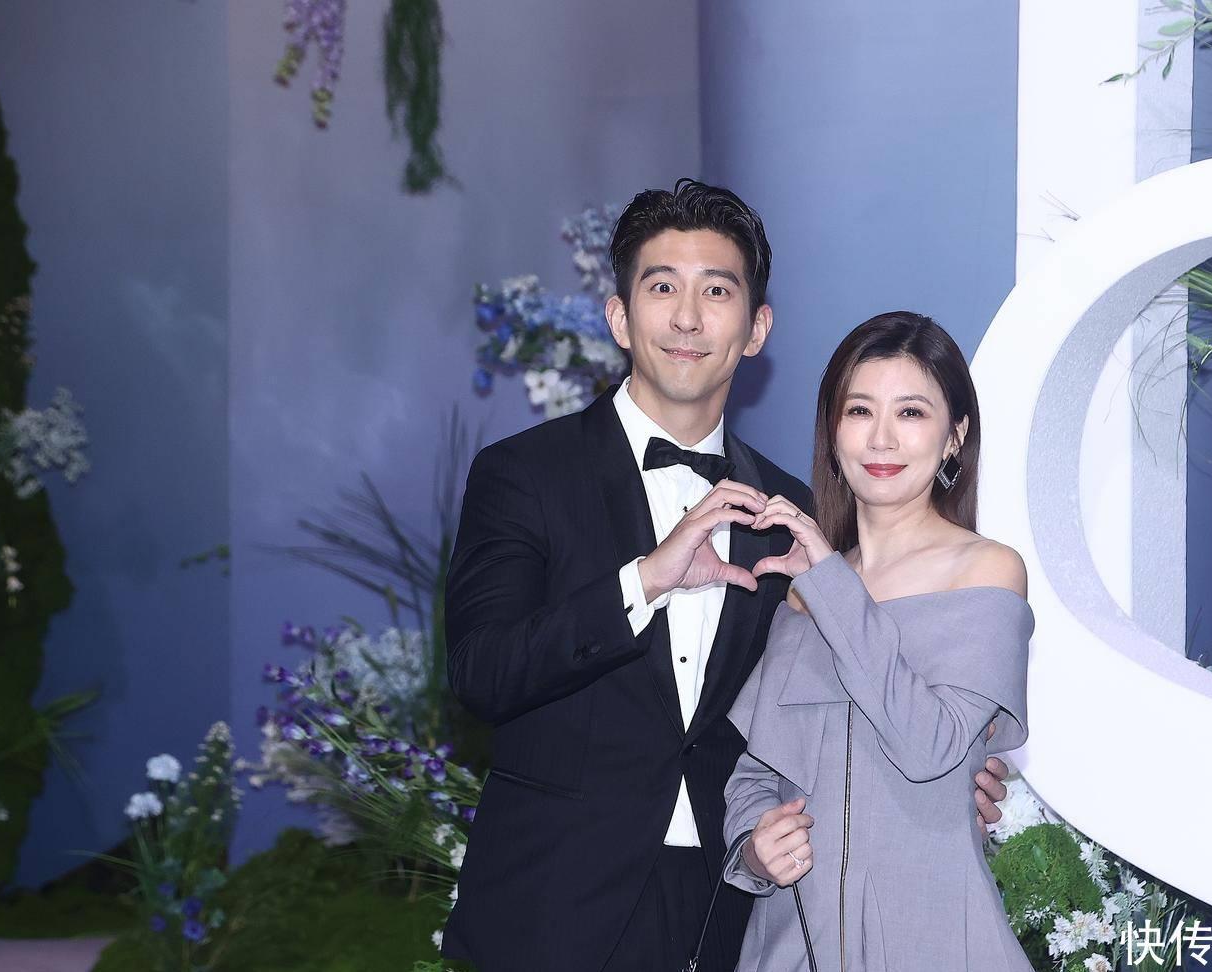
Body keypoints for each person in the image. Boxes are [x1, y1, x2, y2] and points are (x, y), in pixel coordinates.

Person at [440, 181, 1015, 971]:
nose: (687, 318)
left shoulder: (794, 516)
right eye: (661, 288)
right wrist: (644, 580)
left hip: (727, 908)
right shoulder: (524, 475)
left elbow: (837, 710)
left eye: (716, 291)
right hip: (552, 905)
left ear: (756, 328)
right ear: (619, 317)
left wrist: (953, 783)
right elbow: (482, 673)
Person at [723, 310, 1036, 971]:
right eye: (859, 411)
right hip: (794, 946)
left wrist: (832, 585)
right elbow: (757, 774)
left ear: (954, 436)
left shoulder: (986, 571)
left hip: (934, 943)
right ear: (834, 433)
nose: (882, 438)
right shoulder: (804, 594)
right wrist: (754, 846)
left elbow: (930, 747)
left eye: (912, 413)